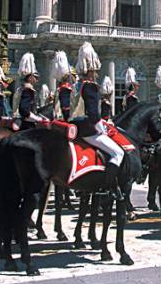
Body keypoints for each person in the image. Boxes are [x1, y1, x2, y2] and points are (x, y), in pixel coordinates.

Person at [76, 41, 125, 199]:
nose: (97, 73)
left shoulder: (78, 85)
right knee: (118, 153)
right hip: (88, 129)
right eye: (95, 70)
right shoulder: (90, 86)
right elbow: (93, 113)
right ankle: (106, 186)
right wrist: (102, 128)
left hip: (76, 127)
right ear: (90, 71)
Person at [16, 52, 42, 130]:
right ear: (30, 78)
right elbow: (24, 109)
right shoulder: (28, 90)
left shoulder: (21, 88)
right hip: (27, 123)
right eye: (36, 78)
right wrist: (37, 119)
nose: (37, 80)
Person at [52, 51, 75, 121]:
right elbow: (66, 107)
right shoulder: (66, 88)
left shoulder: (62, 88)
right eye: (73, 75)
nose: (74, 78)